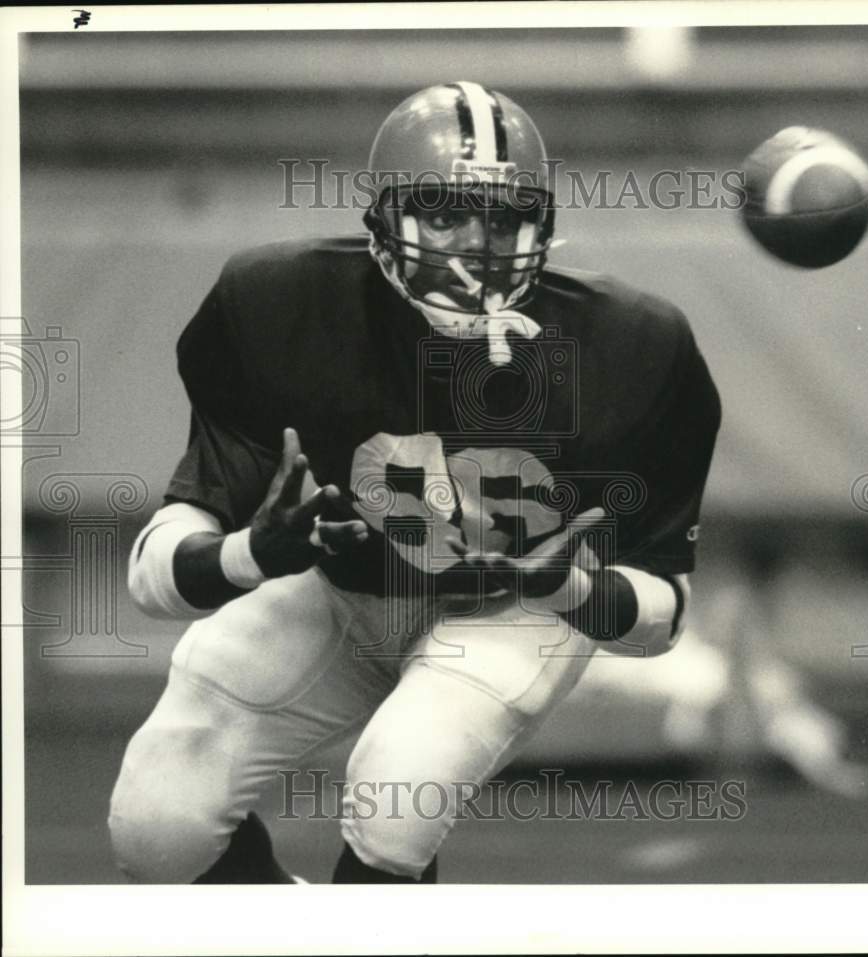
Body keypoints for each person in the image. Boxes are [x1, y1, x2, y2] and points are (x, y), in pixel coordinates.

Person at [108, 81, 721, 883]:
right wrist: (252, 553)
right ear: (384, 218)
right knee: (156, 825)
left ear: (540, 226)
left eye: (501, 220)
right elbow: (155, 576)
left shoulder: (632, 346)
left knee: (395, 801)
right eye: (443, 215)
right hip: (335, 591)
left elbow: (662, 617)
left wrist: (566, 586)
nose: (475, 247)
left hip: (509, 611)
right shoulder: (279, 305)